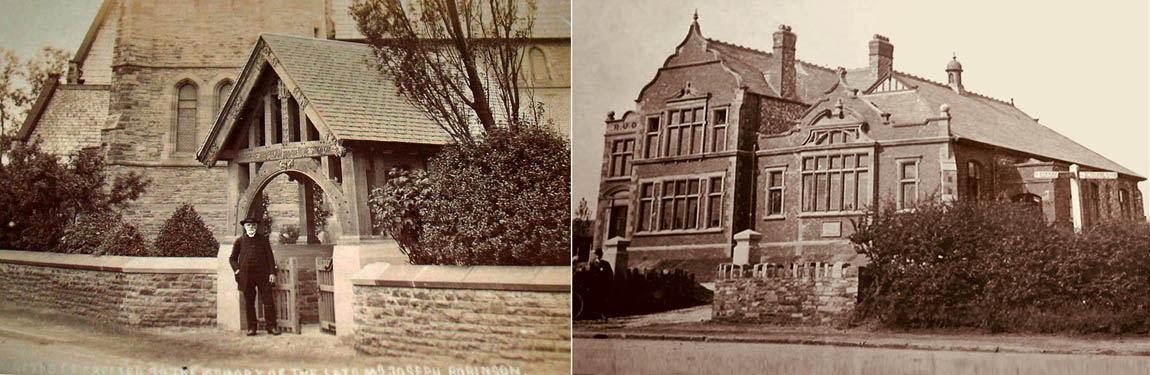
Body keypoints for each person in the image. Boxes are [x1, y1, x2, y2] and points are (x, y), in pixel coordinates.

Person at [229, 216, 279, 336]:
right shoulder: (240, 241)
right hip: (247, 276)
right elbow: (232, 259)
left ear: (256, 227)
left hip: (263, 275)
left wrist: (272, 273)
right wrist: (237, 271)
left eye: (253, 225)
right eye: (249, 225)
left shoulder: (263, 240)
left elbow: (270, 258)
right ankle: (252, 327)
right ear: (245, 227)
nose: (251, 227)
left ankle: (271, 326)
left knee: (268, 300)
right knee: (249, 302)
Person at [588, 249, 613, 320]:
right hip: (595, 285)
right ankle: (594, 314)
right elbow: (589, 275)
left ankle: (602, 314)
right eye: (597, 254)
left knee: (603, 300)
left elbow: (610, 274)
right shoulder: (591, 264)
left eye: (600, 254)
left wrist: (608, 283)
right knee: (594, 299)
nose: (598, 256)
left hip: (603, 285)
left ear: (601, 255)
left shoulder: (605, 263)